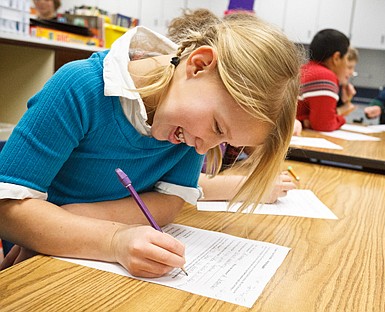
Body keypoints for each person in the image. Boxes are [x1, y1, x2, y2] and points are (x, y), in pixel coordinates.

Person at [0, 13, 302, 277]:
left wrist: (72, 220)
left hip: (81, 261)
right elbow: (7, 208)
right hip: (34, 268)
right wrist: (112, 240)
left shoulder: (185, 127)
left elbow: (169, 203)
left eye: (223, 140)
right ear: (199, 65)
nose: (202, 148)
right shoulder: (80, 87)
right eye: (217, 127)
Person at [168, 9, 298, 203]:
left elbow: (253, 144)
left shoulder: (217, 112)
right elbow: (172, 185)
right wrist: (248, 189)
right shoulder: (178, 122)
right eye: (218, 127)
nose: (204, 146)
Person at [296, 29, 350, 132]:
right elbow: (324, 125)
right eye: (346, 58)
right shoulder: (324, 77)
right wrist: (342, 120)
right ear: (337, 58)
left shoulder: (304, 69)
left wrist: (305, 120)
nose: (347, 64)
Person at [336, 46, 359, 117]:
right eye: (349, 67)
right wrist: (344, 108)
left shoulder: (340, 87)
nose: (352, 72)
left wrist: (344, 101)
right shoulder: (327, 84)